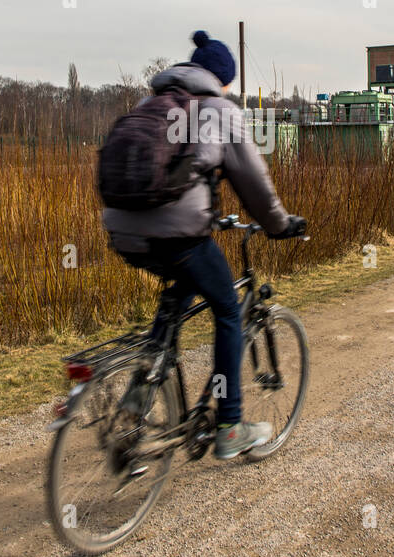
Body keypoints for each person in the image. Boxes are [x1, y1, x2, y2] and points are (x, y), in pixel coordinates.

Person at [103, 30, 306, 460]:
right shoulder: (220, 110)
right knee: (229, 311)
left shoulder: (150, 105)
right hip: (176, 235)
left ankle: (139, 394)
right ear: (222, 79)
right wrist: (279, 224)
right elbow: (254, 183)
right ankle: (230, 426)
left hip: (123, 231)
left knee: (181, 287)